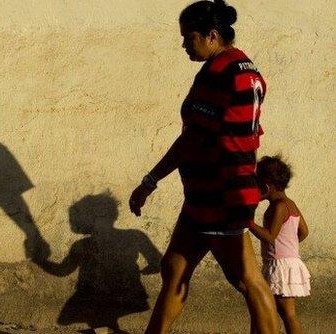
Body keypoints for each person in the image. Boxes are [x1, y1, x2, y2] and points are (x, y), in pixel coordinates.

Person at [129, 1, 279, 333]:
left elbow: (194, 139)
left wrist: (150, 180)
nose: (184, 45)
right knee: (174, 268)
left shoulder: (220, 73)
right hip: (210, 193)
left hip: (221, 193)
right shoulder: (244, 69)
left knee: (247, 280)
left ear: (212, 35)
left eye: (189, 37)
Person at [37, 193, 162, 333]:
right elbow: (156, 261)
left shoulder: (82, 245)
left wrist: (40, 261)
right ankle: (107, 328)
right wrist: (147, 269)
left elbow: (63, 270)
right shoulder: (135, 236)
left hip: (103, 295)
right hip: (125, 293)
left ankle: (105, 328)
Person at [249, 156, 310, 334]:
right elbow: (304, 232)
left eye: (257, 185)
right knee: (285, 312)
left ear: (267, 186)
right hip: (289, 262)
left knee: (277, 311)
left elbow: (269, 237)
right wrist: (289, 246)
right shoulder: (291, 204)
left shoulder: (278, 207)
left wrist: (248, 223)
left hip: (279, 266)